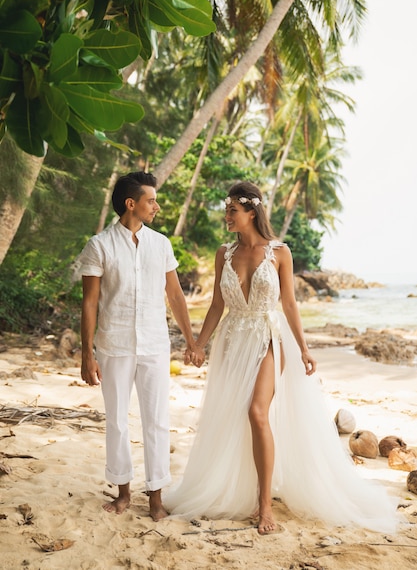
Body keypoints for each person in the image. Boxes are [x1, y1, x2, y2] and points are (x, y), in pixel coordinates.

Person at [164, 181, 398, 535]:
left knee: (257, 413)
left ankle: (264, 507)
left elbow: (289, 304)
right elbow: (217, 305)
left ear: (252, 212)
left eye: (232, 210)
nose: (226, 216)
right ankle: (242, 487)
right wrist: (198, 343)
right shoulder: (222, 253)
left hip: (269, 337)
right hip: (232, 341)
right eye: (226, 209)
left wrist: (303, 348)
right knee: (234, 418)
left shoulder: (279, 253)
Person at [77, 171, 205, 521]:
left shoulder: (161, 244)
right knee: (117, 420)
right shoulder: (99, 245)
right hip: (113, 343)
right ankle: (122, 493)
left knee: (157, 421)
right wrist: (87, 354)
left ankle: (156, 497)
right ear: (131, 204)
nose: (156, 206)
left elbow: (175, 293)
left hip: (154, 343)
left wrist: (191, 339)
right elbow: (89, 303)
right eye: (151, 200)